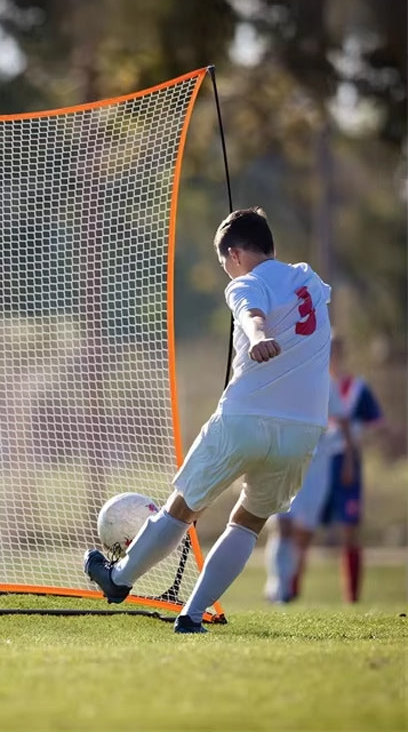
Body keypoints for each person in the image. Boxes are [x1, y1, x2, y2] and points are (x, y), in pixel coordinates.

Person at [84, 207, 333, 632]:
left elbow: (251, 315)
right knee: (250, 522)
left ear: (234, 255)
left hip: (245, 418)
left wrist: (258, 338)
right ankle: (192, 616)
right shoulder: (309, 279)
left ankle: (118, 579)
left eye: (224, 265)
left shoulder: (245, 284)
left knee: (181, 509)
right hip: (304, 428)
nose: (227, 274)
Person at [263, 372, 352, 603]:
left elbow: (342, 421)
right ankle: (279, 588)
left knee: (303, 534)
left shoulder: (324, 380)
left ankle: (286, 582)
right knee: (283, 524)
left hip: (315, 465)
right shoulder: (280, 375)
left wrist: (349, 460)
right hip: (282, 458)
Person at [318, 336, 383, 602]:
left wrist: (355, 444)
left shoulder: (357, 388)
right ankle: (286, 592)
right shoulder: (315, 384)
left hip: (345, 462)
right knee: (297, 528)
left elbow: (377, 424)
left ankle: (351, 597)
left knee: (349, 528)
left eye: (337, 350)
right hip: (315, 463)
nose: (334, 355)